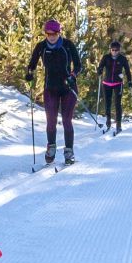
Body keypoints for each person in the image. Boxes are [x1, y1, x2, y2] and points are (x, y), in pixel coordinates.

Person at [27, 19, 81, 164]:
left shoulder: (68, 45)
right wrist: (30, 73)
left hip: (68, 88)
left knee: (66, 120)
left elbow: (78, 65)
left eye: (54, 33)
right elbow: (32, 63)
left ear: (59, 33)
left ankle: (69, 152)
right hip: (50, 88)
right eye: (48, 33)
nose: (51, 36)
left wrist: (73, 76)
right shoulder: (41, 46)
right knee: (51, 120)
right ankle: (51, 148)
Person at [96, 39, 132, 134]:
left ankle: (118, 124)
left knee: (117, 104)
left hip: (118, 83)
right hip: (106, 83)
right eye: (113, 50)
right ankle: (108, 122)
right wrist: (99, 71)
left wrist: (129, 81)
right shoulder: (106, 57)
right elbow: (100, 66)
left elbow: (128, 71)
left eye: (116, 50)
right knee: (107, 104)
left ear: (119, 50)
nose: (114, 52)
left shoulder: (122, 59)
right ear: (110, 50)